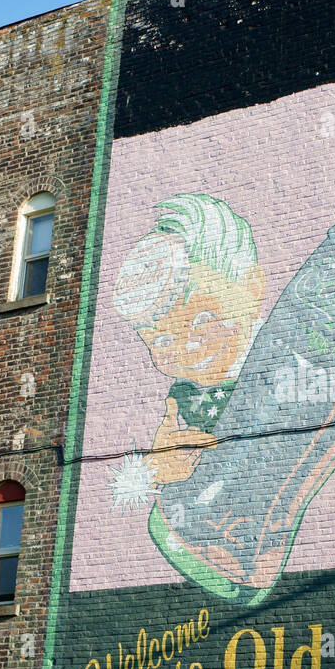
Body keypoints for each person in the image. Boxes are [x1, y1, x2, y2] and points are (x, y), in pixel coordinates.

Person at [113, 193, 265, 486]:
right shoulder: (182, 401)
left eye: (204, 320)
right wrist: (156, 472)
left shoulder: (291, 360)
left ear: (252, 288)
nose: (189, 349)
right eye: (163, 342)